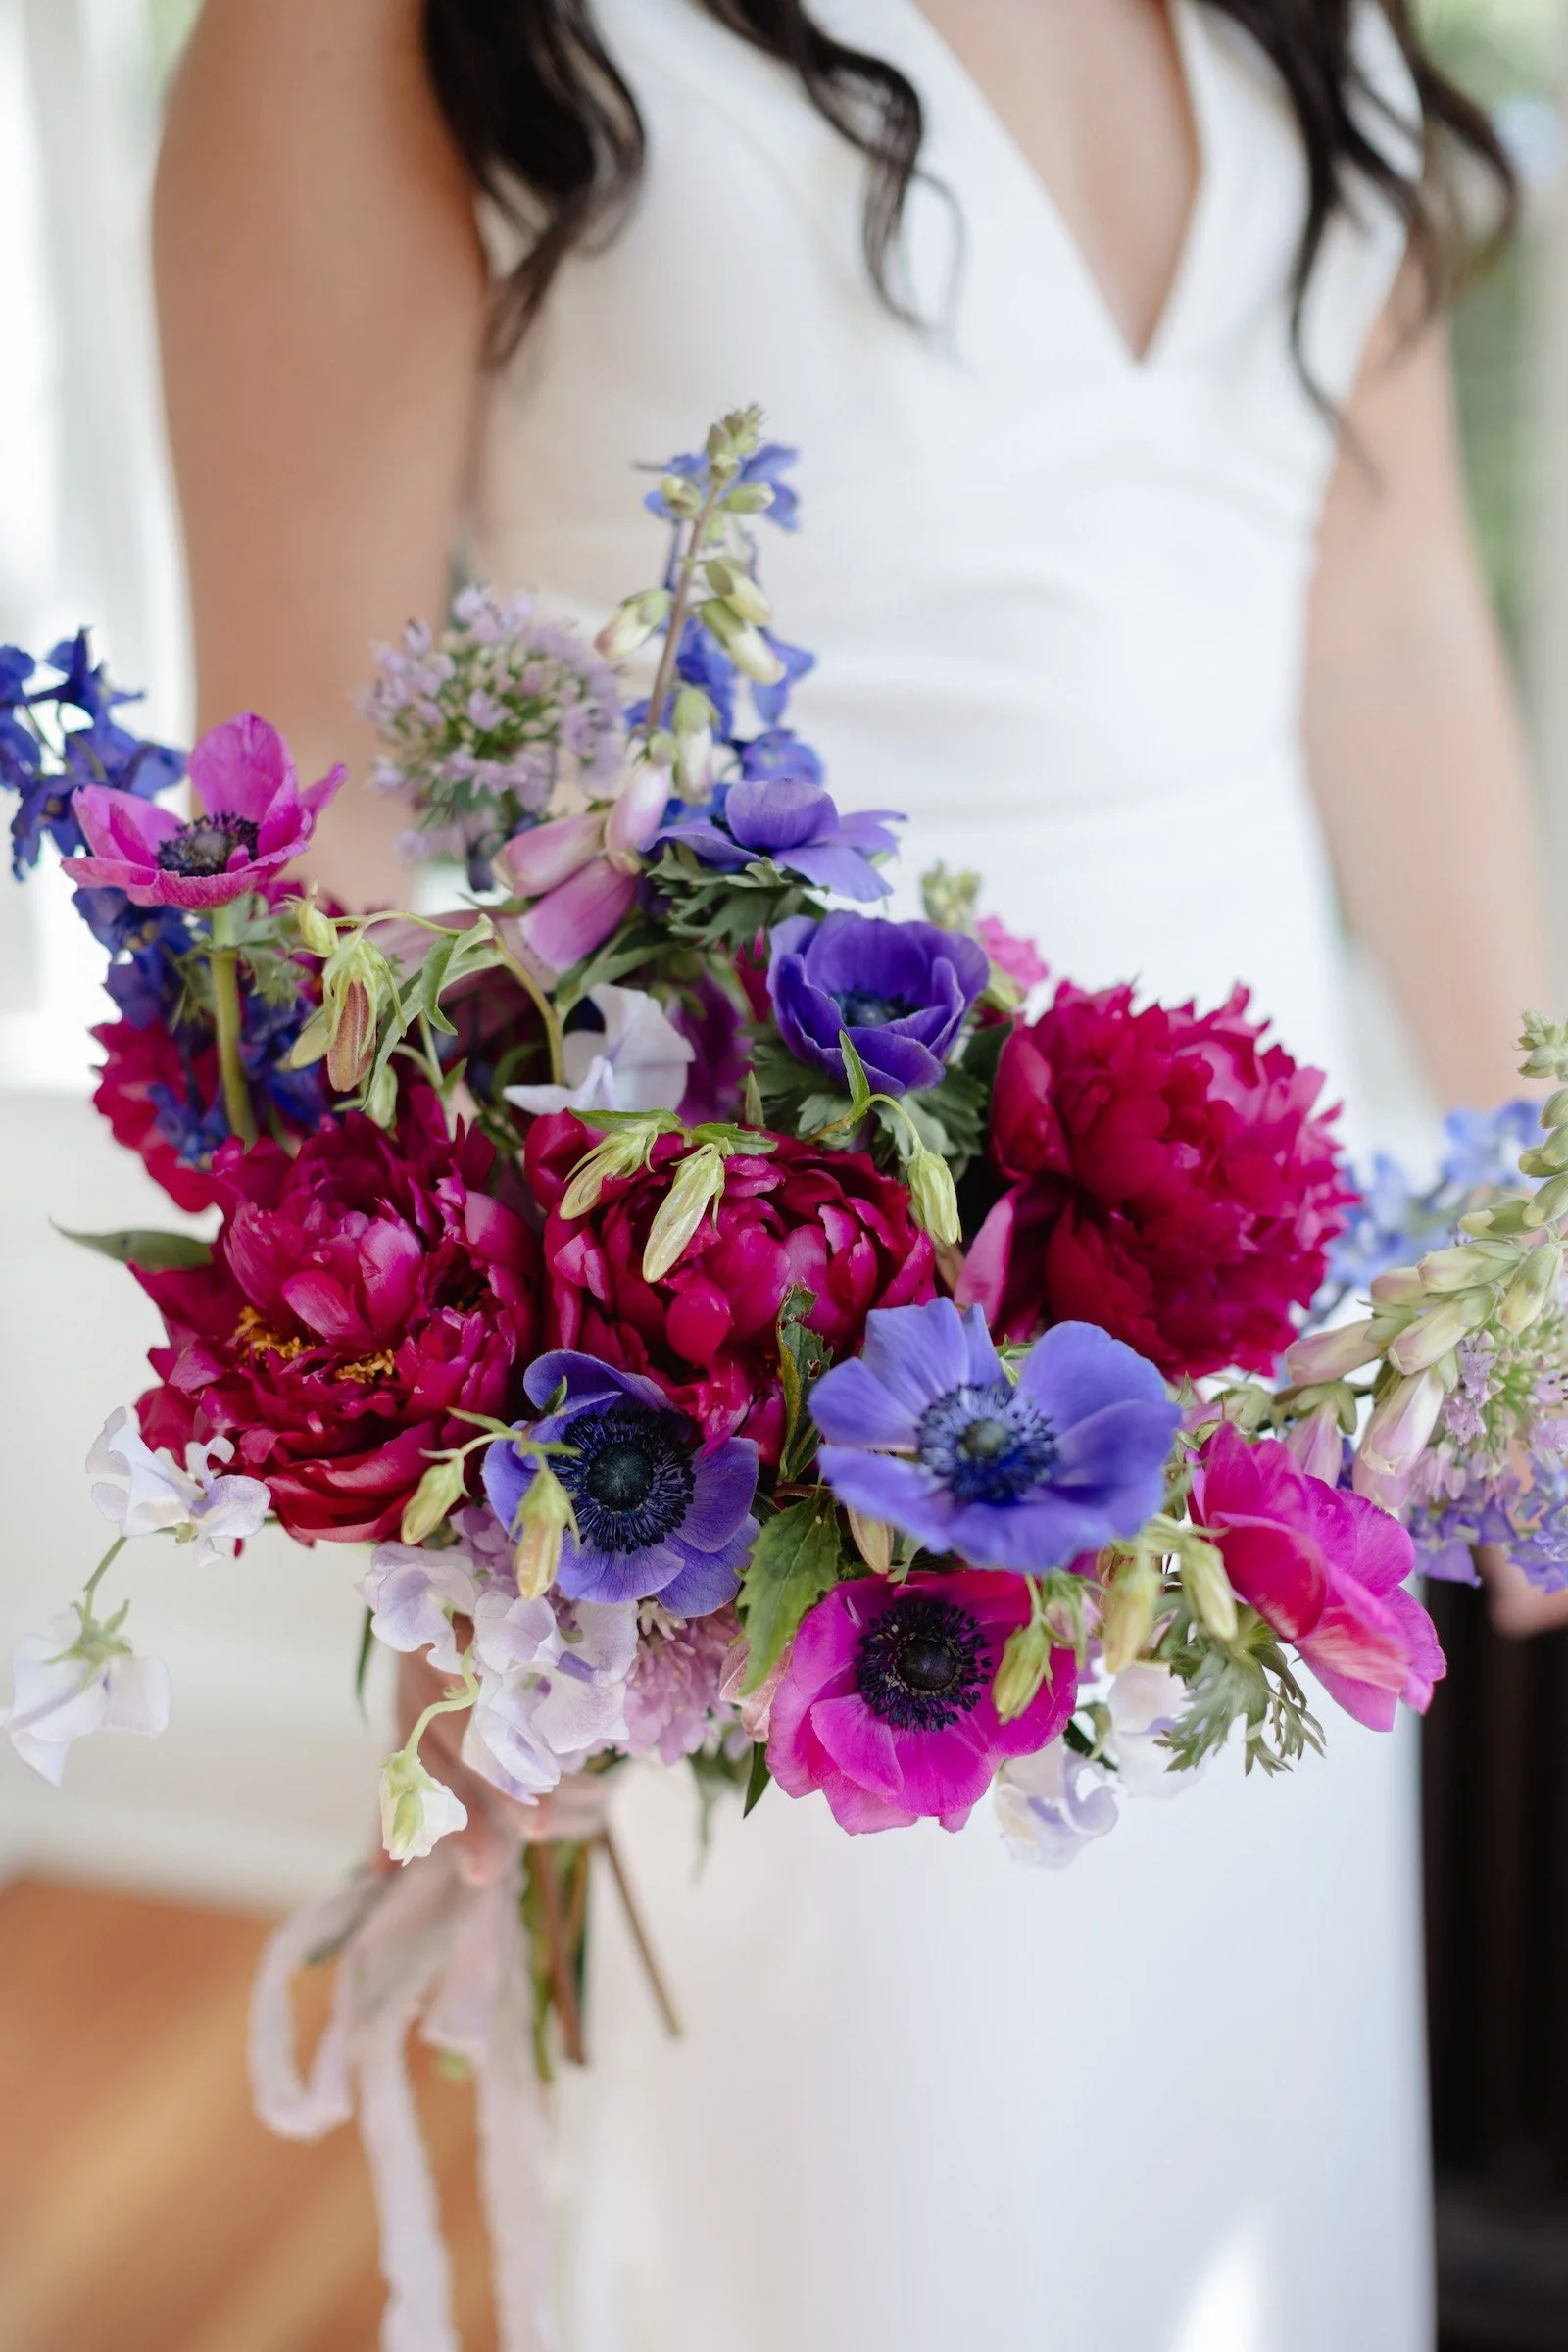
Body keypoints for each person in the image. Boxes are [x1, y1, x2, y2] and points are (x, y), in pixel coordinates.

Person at [152, 4, 1551, 2346]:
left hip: (1275, 1383)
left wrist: (1533, 1238)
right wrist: (448, 1535)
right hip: (771, 1419)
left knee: (1239, 2190)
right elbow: (317, 822)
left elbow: (1389, 629)